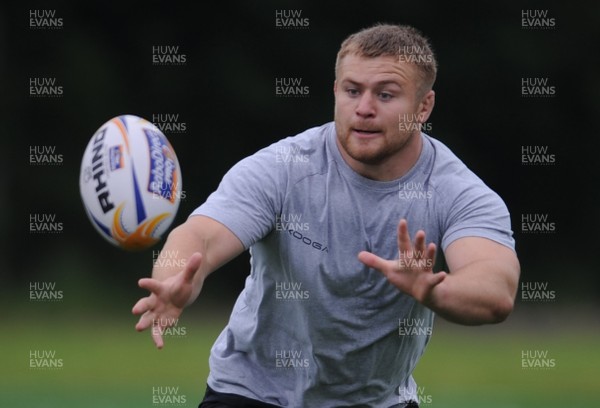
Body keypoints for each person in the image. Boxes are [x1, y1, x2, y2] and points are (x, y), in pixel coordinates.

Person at [132, 24, 520, 407]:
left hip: (376, 401)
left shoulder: (455, 190)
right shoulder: (284, 166)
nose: (364, 108)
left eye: (386, 94)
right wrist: (174, 276)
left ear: (424, 107)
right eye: (352, 91)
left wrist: (434, 290)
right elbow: (200, 234)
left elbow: (495, 289)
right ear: (335, 92)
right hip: (250, 391)